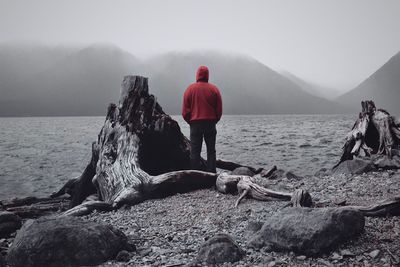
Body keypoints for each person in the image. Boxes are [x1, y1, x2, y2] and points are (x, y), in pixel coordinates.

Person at [182, 66, 222, 173]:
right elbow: (219, 110)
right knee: (211, 151)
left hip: (195, 124)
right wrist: (215, 120)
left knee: (195, 152)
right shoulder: (214, 89)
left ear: (197, 75)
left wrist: (190, 121)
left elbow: (185, 111)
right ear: (207, 75)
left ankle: (195, 176)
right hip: (210, 123)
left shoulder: (189, 89)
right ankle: (212, 175)